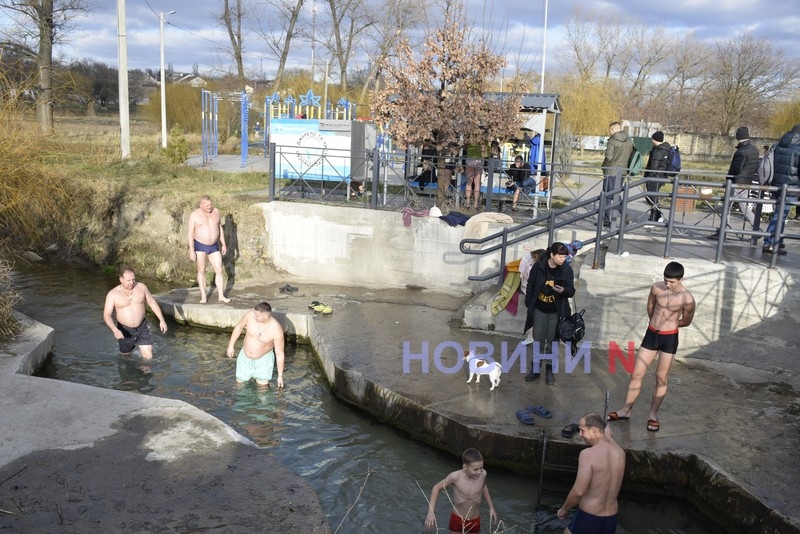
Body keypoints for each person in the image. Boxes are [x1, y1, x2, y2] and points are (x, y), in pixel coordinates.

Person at [607, 261, 696, 432]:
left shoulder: (688, 299)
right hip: (651, 334)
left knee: (661, 378)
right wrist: (654, 322)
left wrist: (669, 324)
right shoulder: (657, 287)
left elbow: (686, 321)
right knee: (636, 373)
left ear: (681, 279)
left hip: (669, 338)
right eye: (666, 280)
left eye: (672, 282)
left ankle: (653, 415)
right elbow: (650, 305)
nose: (667, 285)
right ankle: (626, 410)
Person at [556, 413, 625, 534]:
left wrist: (564, 509)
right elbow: (608, 442)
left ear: (594, 430)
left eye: (582, 430)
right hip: (610, 520)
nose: (580, 435)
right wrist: (608, 436)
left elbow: (578, 491)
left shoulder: (587, 454)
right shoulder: (620, 453)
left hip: (589, 518)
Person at [522, 242, 576, 385]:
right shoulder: (539, 267)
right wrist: (529, 303)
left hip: (557, 312)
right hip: (539, 309)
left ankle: (550, 371)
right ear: (552, 255)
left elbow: (571, 291)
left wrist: (563, 290)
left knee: (553, 343)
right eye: (560, 256)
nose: (563, 259)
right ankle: (535, 369)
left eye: (565, 257)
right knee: (538, 341)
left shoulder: (566, 270)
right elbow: (530, 285)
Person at [424, 448, 497, 533]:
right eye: (475, 469)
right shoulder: (455, 477)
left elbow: (483, 486)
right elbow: (436, 488)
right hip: (457, 518)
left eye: (481, 467)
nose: (479, 472)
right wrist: (431, 512)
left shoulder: (483, 474)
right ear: (465, 467)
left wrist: (491, 507)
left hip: (475, 519)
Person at [103, 267, 168, 360]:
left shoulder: (141, 287)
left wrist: (162, 320)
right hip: (125, 330)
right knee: (125, 356)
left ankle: (146, 373)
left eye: (133, 279)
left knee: (148, 357)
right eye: (128, 280)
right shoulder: (113, 294)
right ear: (121, 280)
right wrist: (115, 330)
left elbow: (152, 302)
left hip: (142, 327)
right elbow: (107, 314)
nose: (132, 282)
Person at [709, 126, 759, 240]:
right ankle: (757, 229)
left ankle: (722, 232)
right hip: (747, 182)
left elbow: (735, 169)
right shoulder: (755, 150)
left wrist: (728, 180)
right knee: (744, 207)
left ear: (737, 136)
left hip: (737, 182)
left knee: (726, 206)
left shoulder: (740, 152)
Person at [226, 302, 285, 388]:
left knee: (262, 389)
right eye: (254, 313)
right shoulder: (249, 316)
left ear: (266, 316)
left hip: (263, 361)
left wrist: (280, 376)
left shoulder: (276, 330)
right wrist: (231, 345)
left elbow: (279, 353)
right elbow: (239, 327)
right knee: (240, 385)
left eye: (257, 316)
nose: (254, 316)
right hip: (245, 358)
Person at [762, 124, 800, 255]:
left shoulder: (778, 145)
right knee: (780, 215)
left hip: (776, 184)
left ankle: (777, 239)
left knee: (779, 214)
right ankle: (769, 242)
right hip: (791, 187)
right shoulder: (799, 148)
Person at [187, 194, 230, 303]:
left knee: (219, 270)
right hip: (200, 245)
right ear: (200, 205)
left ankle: (221, 295)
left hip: (214, 245)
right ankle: (203, 295)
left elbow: (219, 228)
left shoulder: (216, 212)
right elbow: (190, 233)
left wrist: (223, 244)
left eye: (210, 204)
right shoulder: (194, 215)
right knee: (201, 270)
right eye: (207, 205)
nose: (209, 207)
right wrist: (191, 250)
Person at [600, 122, 634, 227]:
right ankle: (606, 219)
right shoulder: (629, 140)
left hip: (611, 171)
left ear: (613, 130)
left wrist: (604, 166)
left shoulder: (613, 140)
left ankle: (623, 215)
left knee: (609, 194)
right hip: (622, 171)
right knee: (613, 194)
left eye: (610, 131)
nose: (610, 133)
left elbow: (609, 157)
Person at [643, 131, 670, 222]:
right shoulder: (666, 149)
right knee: (653, 197)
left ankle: (654, 217)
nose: (651, 140)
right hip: (661, 176)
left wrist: (648, 176)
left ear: (656, 139)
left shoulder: (658, 151)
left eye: (653, 138)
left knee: (652, 197)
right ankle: (658, 215)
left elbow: (653, 167)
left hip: (655, 177)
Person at [464, 144, 484, 209]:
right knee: (477, 183)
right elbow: (487, 152)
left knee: (469, 182)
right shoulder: (483, 139)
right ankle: (475, 203)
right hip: (479, 159)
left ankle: (467, 202)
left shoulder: (470, 138)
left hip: (470, 158)